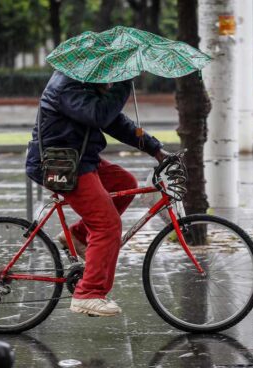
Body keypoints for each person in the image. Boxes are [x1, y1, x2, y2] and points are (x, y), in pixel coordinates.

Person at [26, 70, 170, 316]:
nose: (112, 77)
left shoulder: (84, 84)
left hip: (80, 159)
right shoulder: (67, 87)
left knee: (124, 184)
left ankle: (79, 236)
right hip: (60, 163)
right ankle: (88, 293)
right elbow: (99, 115)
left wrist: (155, 149)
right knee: (107, 225)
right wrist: (124, 84)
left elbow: (114, 121)